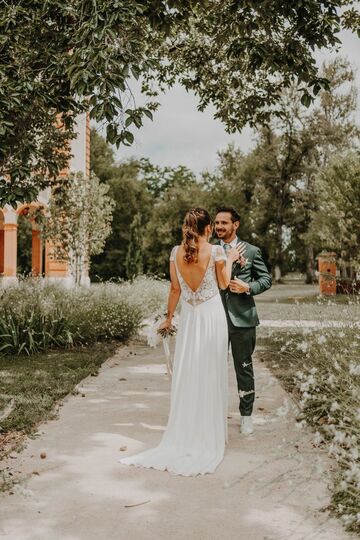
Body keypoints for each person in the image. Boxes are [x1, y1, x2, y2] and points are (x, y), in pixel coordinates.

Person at [119, 208, 242, 476]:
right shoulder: (217, 251)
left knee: (188, 372)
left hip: (190, 317)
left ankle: (187, 430)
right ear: (208, 228)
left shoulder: (176, 253)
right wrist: (231, 258)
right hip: (211, 317)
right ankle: (209, 434)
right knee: (211, 371)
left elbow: (175, 288)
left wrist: (168, 318)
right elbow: (223, 285)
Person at [214, 207, 272, 435]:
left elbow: (266, 279)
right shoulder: (209, 250)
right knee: (213, 368)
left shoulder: (252, 250)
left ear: (235, 224)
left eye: (224, 223)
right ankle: (215, 414)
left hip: (243, 320)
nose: (219, 227)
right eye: (216, 223)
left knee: (244, 369)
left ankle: (246, 416)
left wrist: (249, 287)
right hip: (215, 318)